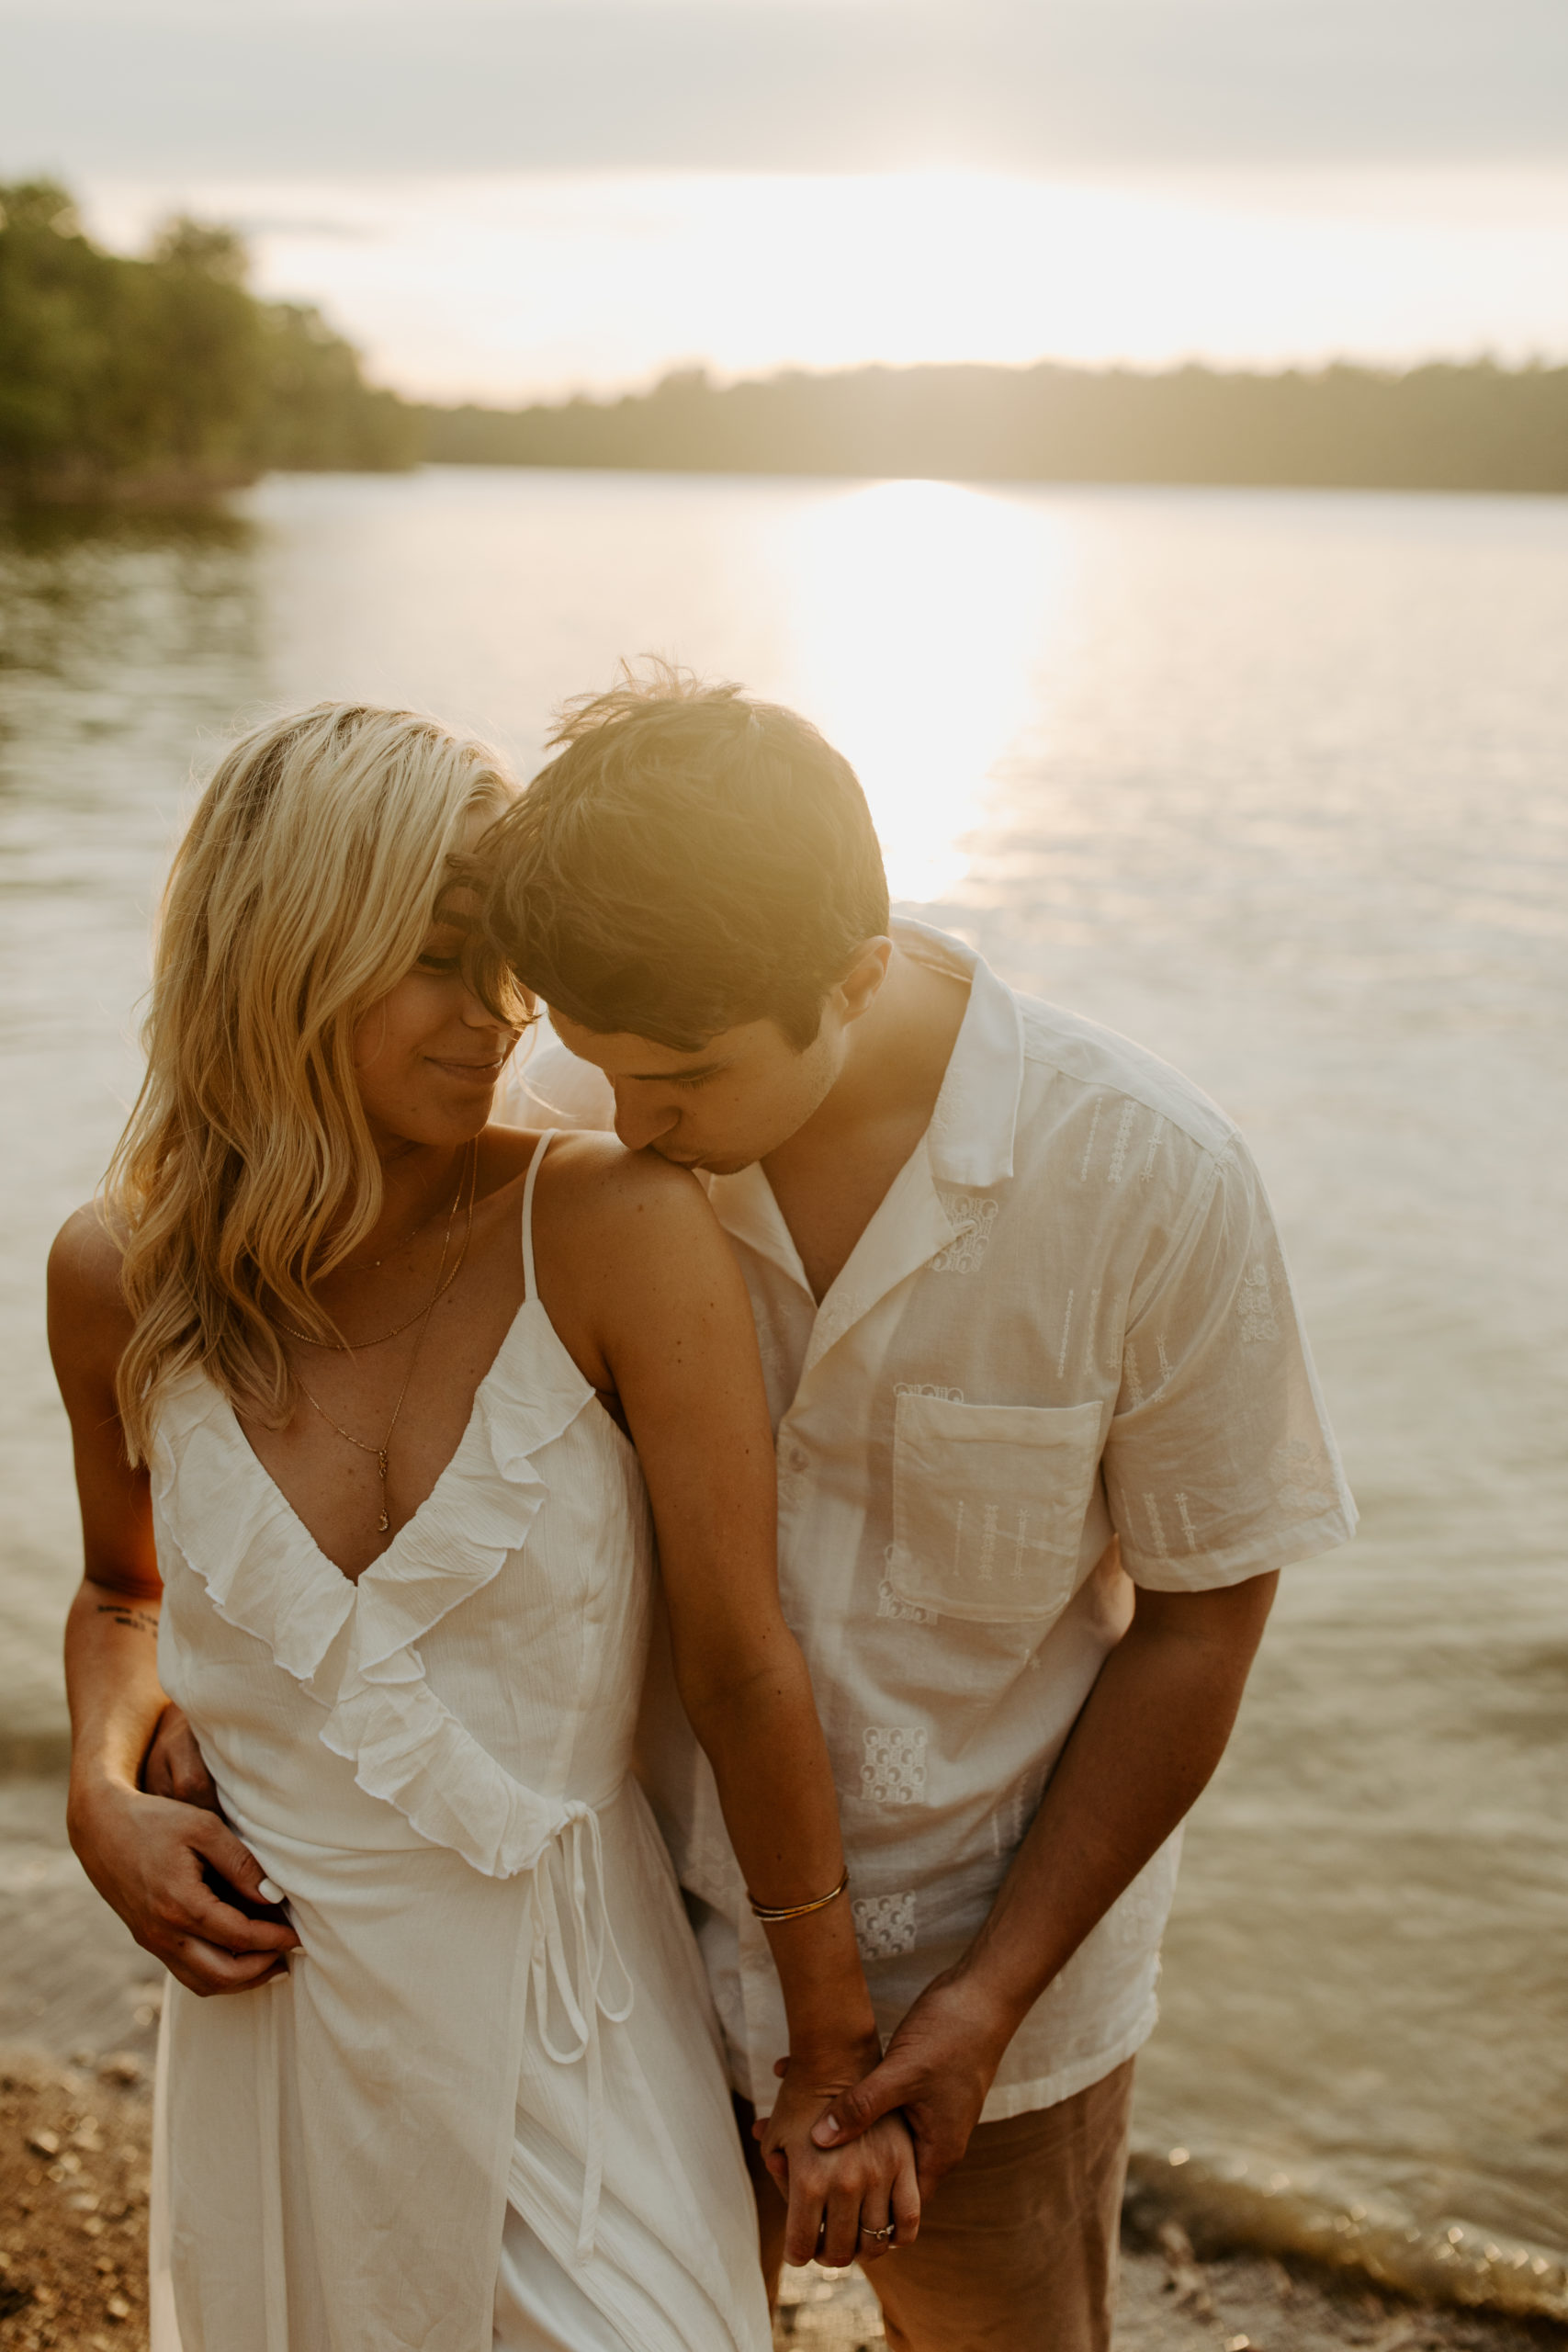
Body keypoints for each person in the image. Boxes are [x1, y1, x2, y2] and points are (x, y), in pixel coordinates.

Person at [470, 665, 1359, 2352]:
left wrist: (986, 2003)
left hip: (996, 1993)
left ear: (855, 974)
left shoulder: (1145, 1179)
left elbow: (1199, 1625)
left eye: (682, 1076)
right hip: (620, 1962)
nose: (633, 1119)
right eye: (597, 1065)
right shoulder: (566, 1130)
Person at [51, 701, 917, 2352]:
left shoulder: (609, 1224)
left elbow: (742, 1662)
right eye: (442, 963)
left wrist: (830, 2058)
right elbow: (117, 1593)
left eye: (506, 968)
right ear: (288, 958)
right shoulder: (117, 1281)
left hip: (575, 2025)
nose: (503, 1020)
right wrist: (103, 1803)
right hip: (277, 2020)